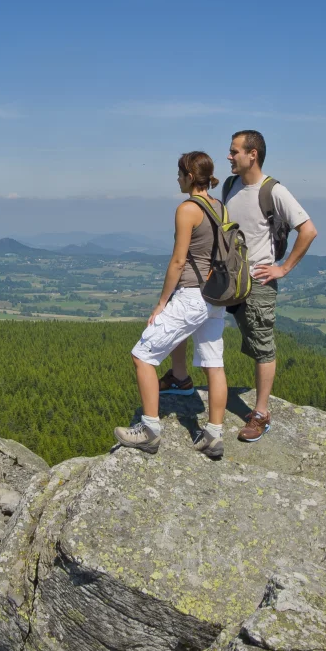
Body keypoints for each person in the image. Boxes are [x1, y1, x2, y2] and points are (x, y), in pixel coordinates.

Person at [163, 130, 317, 442]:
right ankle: (180, 377)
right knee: (185, 320)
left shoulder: (273, 191)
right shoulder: (232, 185)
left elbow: (308, 230)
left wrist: (283, 268)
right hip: (222, 275)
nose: (229, 157)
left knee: (261, 344)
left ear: (252, 155)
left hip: (255, 281)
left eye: (234, 152)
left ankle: (260, 414)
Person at [114, 151, 228, 458]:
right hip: (215, 299)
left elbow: (178, 261)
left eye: (179, 174)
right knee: (214, 364)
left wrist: (162, 302)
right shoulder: (219, 207)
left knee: (142, 356)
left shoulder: (188, 209)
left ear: (190, 177)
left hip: (191, 296)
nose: (177, 179)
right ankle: (214, 434)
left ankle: (150, 431)